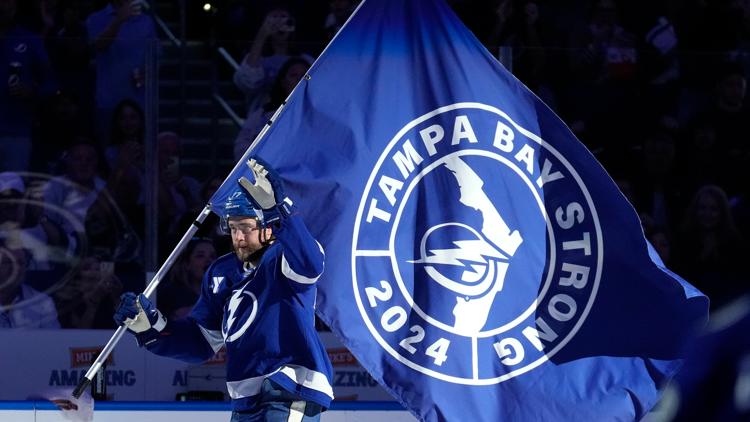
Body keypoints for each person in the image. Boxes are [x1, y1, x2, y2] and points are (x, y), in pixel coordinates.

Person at [114, 157, 334, 420]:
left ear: (267, 228)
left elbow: (311, 263)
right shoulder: (221, 272)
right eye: (232, 228)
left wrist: (279, 210)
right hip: (245, 398)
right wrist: (152, 328)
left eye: (245, 228)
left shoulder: (283, 256)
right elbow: (201, 343)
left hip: (290, 388)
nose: (238, 238)